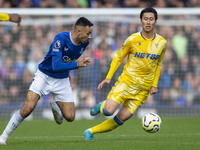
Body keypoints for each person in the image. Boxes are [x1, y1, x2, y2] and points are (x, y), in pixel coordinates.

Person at [0, 17, 93, 145]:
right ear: (78, 31)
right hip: (44, 75)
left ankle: (54, 103)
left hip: (62, 79)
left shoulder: (84, 43)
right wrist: (76, 65)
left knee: (70, 117)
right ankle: (3, 137)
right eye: (88, 33)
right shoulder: (61, 39)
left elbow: (68, 59)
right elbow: (56, 66)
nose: (90, 37)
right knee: (28, 109)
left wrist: (69, 72)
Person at [83, 7, 167, 141]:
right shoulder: (132, 39)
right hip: (127, 83)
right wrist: (108, 77)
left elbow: (158, 65)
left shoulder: (162, 43)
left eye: (151, 19)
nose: (148, 22)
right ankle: (101, 106)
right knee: (107, 111)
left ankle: (90, 131)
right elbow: (118, 58)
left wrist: (154, 85)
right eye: (145, 19)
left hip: (143, 89)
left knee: (121, 118)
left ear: (156, 21)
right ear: (141, 21)